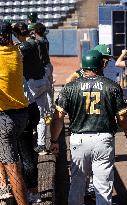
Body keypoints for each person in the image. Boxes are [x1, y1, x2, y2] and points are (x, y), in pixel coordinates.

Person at [50, 50, 127, 205]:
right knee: (103, 187)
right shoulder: (112, 86)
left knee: (77, 183)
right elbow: (122, 117)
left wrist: (54, 140)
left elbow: (58, 117)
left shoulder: (70, 87)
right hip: (103, 139)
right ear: (100, 65)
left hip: (79, 139)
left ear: (84, 66)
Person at [0, 20, 29, 205]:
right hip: (21, 114)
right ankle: (3, 186)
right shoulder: (16, 51)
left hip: (5, 117)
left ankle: (21, 202)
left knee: (13, 169)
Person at [13, 22, 52, 155]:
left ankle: (26, 141)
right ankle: (41, 145)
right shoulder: (38, 41)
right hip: (42, 80)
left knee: (25, 112)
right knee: (41, 115)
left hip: (32, 84)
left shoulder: (25, 45)